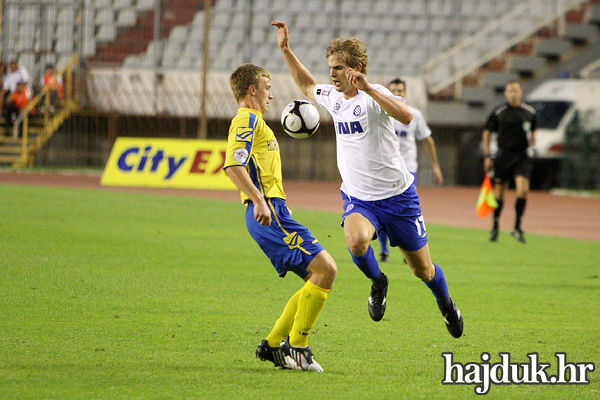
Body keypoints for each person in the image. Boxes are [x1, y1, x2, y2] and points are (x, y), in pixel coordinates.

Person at [271, 21, 463, 338]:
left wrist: (369, 87)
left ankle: (446, 304)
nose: (332, 73)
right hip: (360, 198)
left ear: (357, 68)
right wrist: (285, 49)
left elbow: (407, 116)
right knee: (356, 240)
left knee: (423, 270)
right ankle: (378, 282)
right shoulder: (333, 98)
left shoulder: (376, 96)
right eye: (330, 67)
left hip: (399, 198)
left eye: (339, 67)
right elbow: (307, 85)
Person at [223, 63, 338, 372]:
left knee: (316, 278)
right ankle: (298, 346)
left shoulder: (256, 122)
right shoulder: (246, 119)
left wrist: (276, 205)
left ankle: (274, 345)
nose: (271, 95)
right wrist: (260, 200)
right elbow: (233, 165)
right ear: (252, 90)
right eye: (267, 88)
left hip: (276, 211)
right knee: (326, 270)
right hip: (267, 213)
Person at [378, 78, 443, 262]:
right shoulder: (381, 113)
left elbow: (428, 140)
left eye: (400, 90)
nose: (397, 93)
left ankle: (411, 250)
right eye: (393, 91)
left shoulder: (414, 115)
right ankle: (384, 250)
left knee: (406, 209)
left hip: (408, 169)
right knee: (383, 209)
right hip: (385, 169)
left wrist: (436, 166)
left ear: (405, 93)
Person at [482, 80, 537, 244]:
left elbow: (534, 128)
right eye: (510, 91)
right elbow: (487, 132)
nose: (513, 93)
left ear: (521, 92)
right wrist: (487, 155)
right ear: (506, 93)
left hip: (522, 156)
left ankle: (517, 227)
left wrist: (533, 140)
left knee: (522, 190)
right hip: (503, 156)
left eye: (516, 90)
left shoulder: (529, 112)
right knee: (499, 192)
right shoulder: (499, 111)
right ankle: (495, 227)